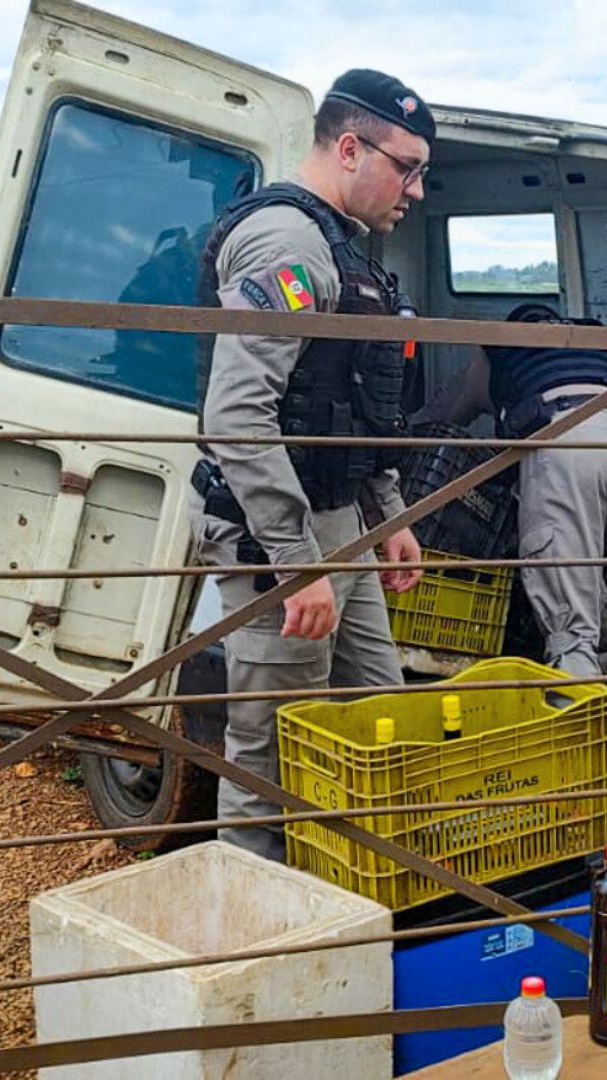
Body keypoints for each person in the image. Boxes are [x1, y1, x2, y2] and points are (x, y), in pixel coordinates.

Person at [193, 69, 433, 859]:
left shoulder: (345, 252)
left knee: (375, 711)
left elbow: (355, 396)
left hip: (342, 522)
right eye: (408, 167)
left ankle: (355, 894)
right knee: (268, 745)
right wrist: (298, 564)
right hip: (277, 538)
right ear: (352, 147)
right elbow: (237, 414)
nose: (417, 190)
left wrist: (386, 515)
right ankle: (256, 936)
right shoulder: (288, 243)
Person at [416, 303, 607, 854]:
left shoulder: (502, 344)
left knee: (572, 634)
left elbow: (449, 411)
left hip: (562, 440)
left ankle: (581, 805)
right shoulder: (598, 338)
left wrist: (403, 436)